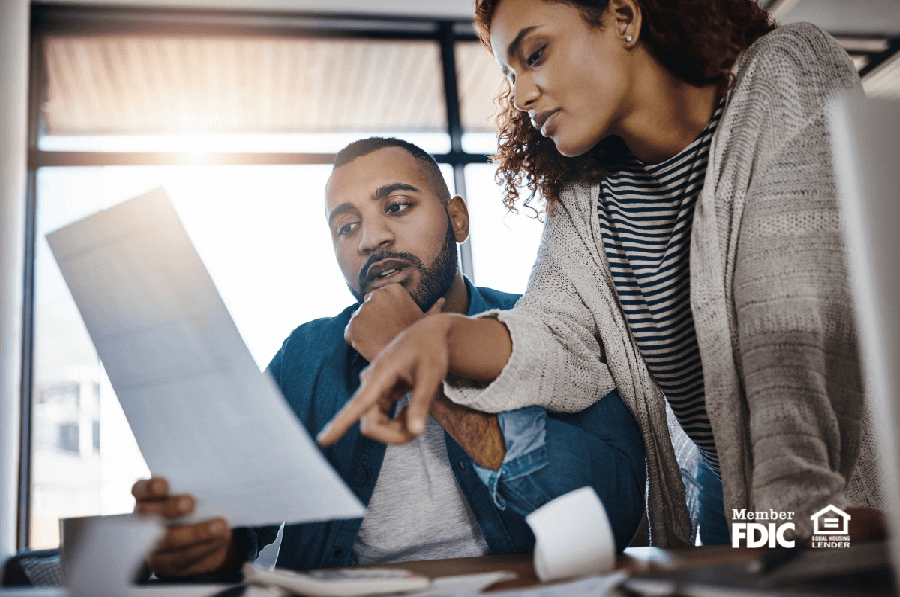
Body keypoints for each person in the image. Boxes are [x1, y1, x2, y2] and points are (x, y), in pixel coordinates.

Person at [317, 0, 884, 547]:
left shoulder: (785, 70)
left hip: (840, 491)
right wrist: (441, 335)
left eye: (534, 55)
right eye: (511, 76)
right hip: (731, 494)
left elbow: (787, 315)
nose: (520, 97)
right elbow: (552, 333)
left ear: (623, 15)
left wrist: (790, 513)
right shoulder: (590, 198)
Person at [132, 137, 646, 578]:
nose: (371, 239)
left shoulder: (544, 324)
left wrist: (422, 358)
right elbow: (238, 529)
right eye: (346, 227)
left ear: (458, 220)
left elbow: (612, 514)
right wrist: (201, 546)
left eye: (397, 206)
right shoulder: (306, 356)